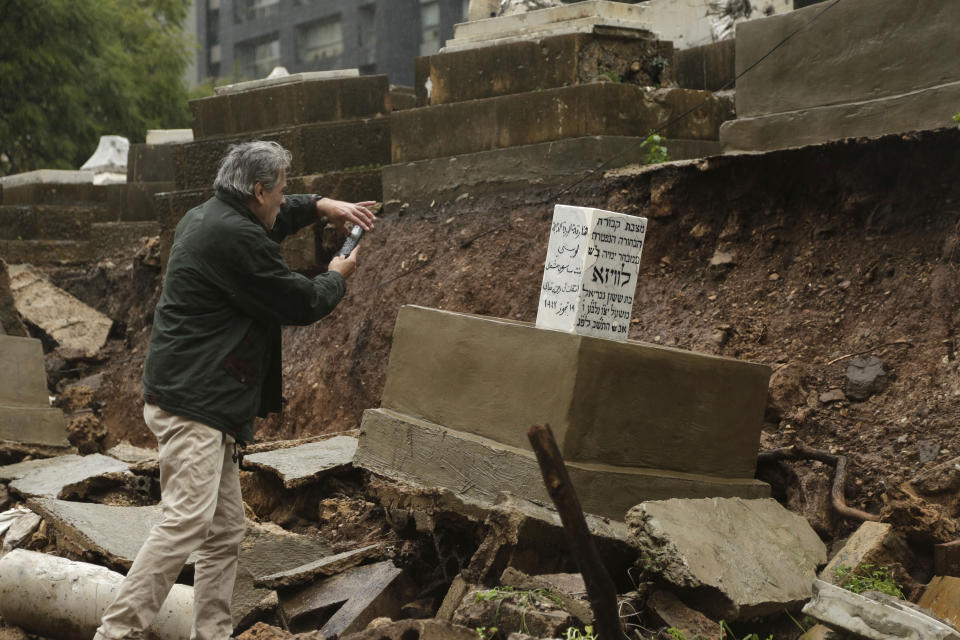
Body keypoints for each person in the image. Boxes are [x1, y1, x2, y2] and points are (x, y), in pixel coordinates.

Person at [93, 140, 376, 640]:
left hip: (200, 396)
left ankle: (213, 634)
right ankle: (115, 633)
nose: (283, 199)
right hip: (195, 402)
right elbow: (299, 301)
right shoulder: (235, 239)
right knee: (185, 523)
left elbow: (271, 218)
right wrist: (335, 277)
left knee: (223, 530)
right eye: (281, 190)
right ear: (258, 189)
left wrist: (318, 206)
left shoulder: (211, 215)